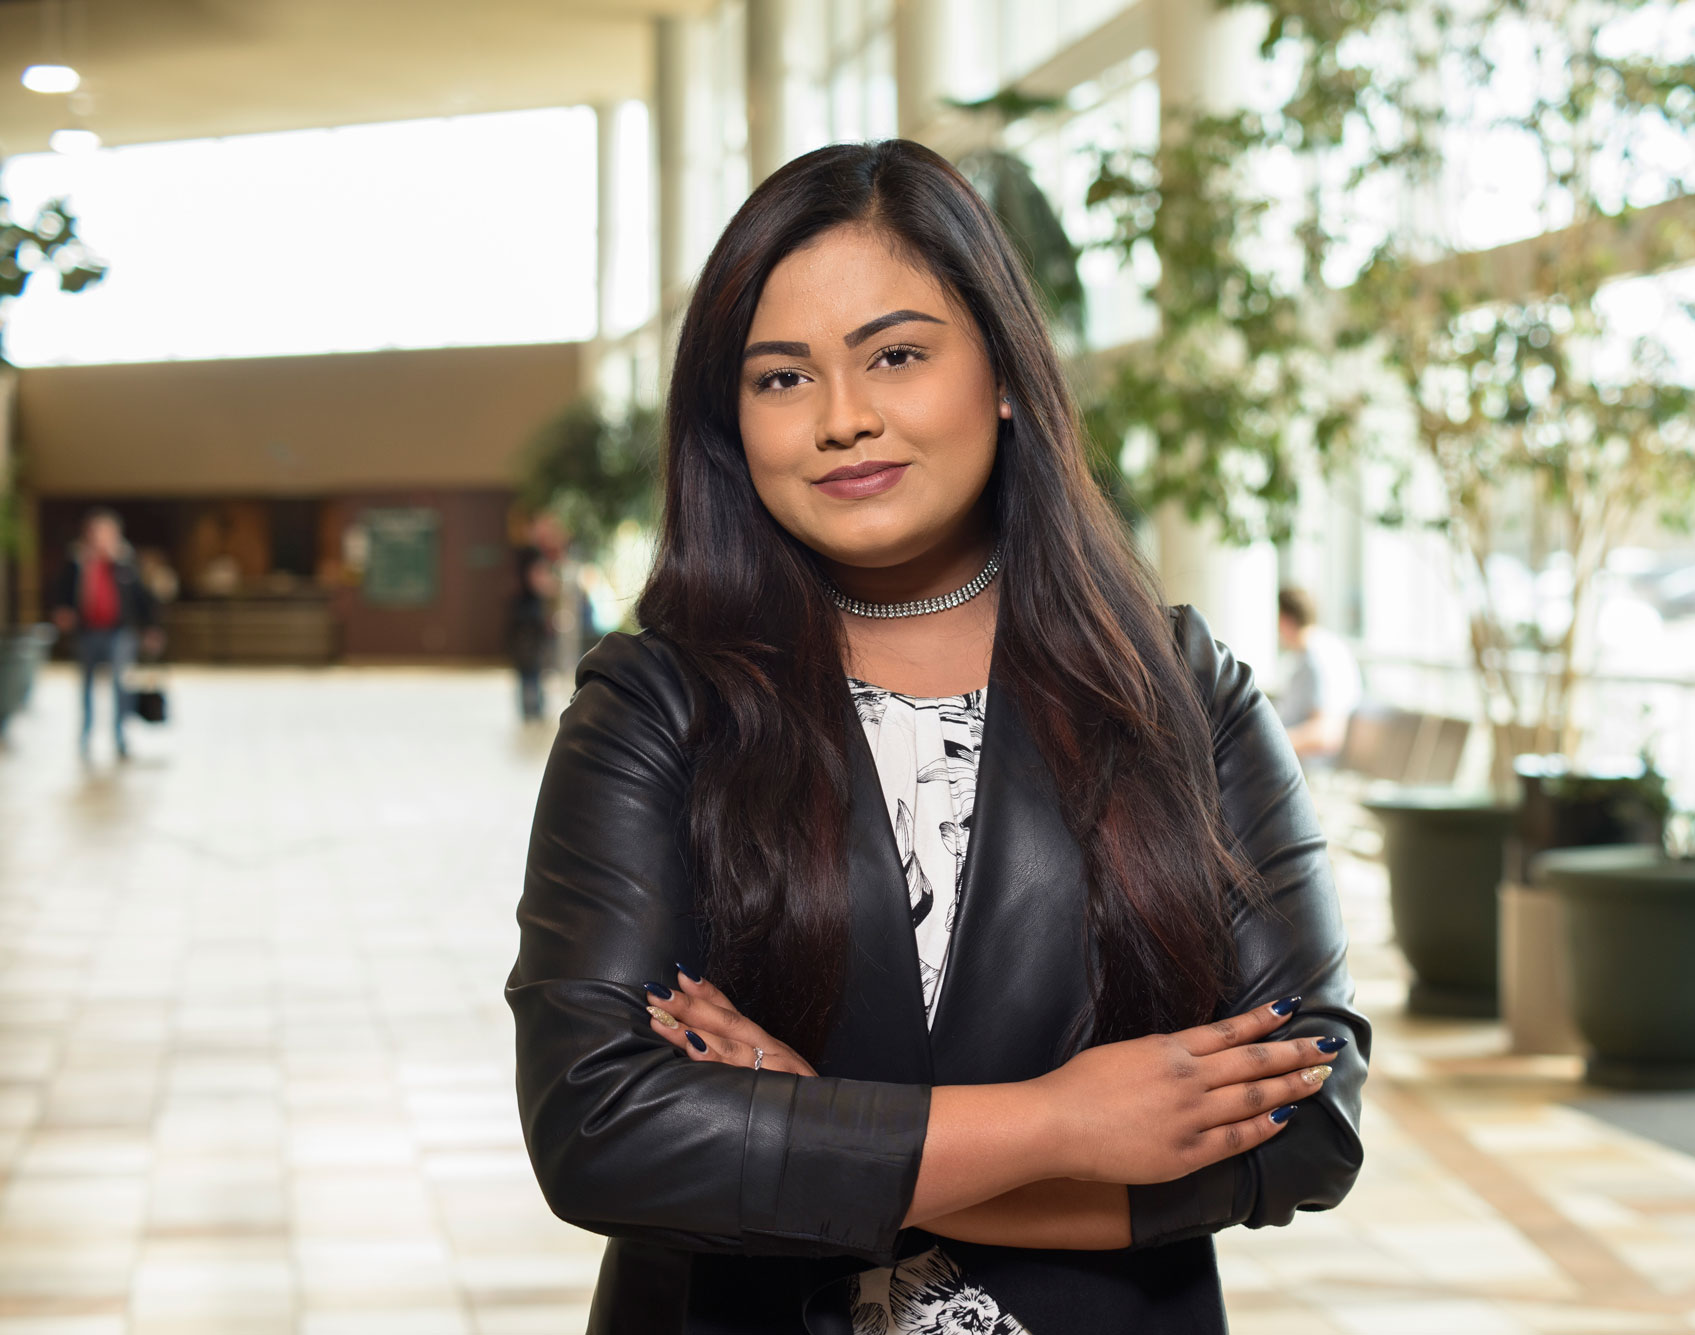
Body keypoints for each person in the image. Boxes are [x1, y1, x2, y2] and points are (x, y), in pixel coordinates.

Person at [507, 141, 1369, 1335]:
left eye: (896, 356)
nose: (843, 420)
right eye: (779, 379)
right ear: (731, 422)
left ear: (1004, 375)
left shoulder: (1179, 690)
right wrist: (1061, 1124)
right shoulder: (656, 705)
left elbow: (1309, 1124)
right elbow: (601, 1131)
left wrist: (820, 1130)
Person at [49, 508, 161, 761]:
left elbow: (143, 598)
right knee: (87, 686)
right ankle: (85, 737)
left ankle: (120, 737)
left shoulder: (125, 564)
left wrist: (151, 628)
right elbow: (62, 592)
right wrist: (63, 611)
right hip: (87, 632)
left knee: (120, 685)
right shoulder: (77, 562)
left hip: (119, 633)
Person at [1273, 586, 1363, 764]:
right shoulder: (1310, 653)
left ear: (1284, 620)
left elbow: (1326, 735)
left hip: (1312, 770)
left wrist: (1268, 744)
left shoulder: (1319, 658)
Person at [509, 514, 564, 721]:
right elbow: (539, 583)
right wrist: (555, 585)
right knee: (532, 667)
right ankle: (533, 713)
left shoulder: (519, 553)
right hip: (530, 619)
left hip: (520, 617)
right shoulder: (532, 554)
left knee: (527, 669)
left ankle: (530, 710)